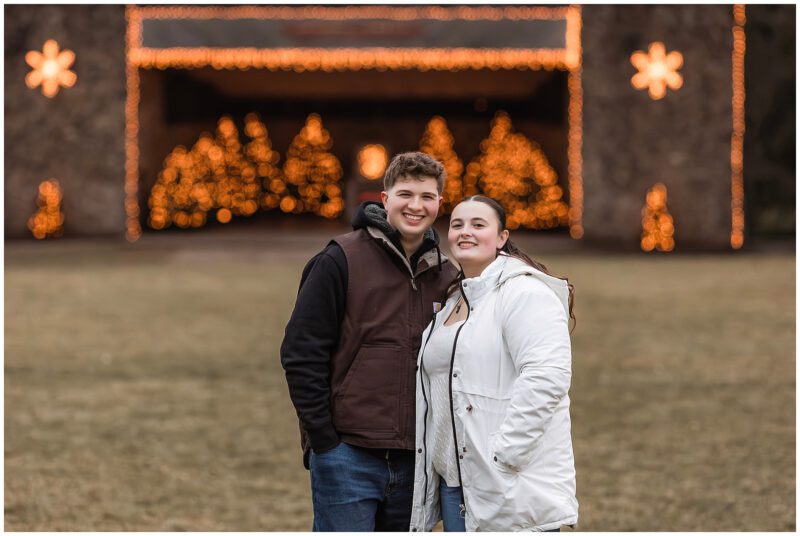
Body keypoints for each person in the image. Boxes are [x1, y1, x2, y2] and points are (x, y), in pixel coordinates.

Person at [280, 152, 459, 531]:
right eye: (405, 194)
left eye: (427, 197)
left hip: (419, 460)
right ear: (385, 198)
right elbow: (301, 352)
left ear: (440, 203)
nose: (416, 205)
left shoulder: (448, 275)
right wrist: (324, 440)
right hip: (348, 454)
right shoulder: (340, 259)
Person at [409, 195, 579, 532]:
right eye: (457, 225)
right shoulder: (456, 299)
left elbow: (547, 377)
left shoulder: (524, 292)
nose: (465, 232)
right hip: (455, 486)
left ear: (502, 237)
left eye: (478, 224)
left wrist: (504, 457)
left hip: (507, 486)